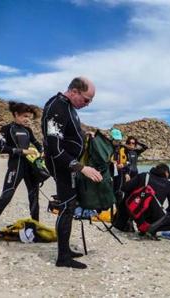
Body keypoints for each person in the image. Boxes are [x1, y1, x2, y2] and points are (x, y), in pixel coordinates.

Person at [42, 77, 102, 269]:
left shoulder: (69, 108)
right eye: (86, 99)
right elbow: (55, 147)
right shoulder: (57, 107)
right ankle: (63, 258)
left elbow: (69, 134)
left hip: (69, 166)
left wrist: (85, 135)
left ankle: (65, 249)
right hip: (61, 165)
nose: (88, 104)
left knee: (70, 206)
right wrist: (81, 167)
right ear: (74, 91)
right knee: (66, 207)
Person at [0, 102, 42, 242]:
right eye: (24, 116)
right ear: (16, 114)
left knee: (34, 198)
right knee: (6, 197)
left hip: (29, 167)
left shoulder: (28, 130)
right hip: (15, 167)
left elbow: (38, 144)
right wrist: (22, 151)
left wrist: (41, 152)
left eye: (28, 117)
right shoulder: (6, 129)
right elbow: (0, 147)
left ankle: (35, 230)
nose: (27, 119)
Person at [119, 163, 170, 237]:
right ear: (166, 172)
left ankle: (136, 224)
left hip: (137, 215)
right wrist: (161, 212)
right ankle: (152, 229)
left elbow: (124, 188)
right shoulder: (169, 185)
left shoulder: (143, 175)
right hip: (154, 218)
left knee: (129, 194)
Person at [110, 128, 128, 202]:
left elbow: (129, 162)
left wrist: (123, 165)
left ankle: (118, 209)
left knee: (119, 192)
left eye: (119, 140)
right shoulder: (107, 148)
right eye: (116, 140)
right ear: (111, 138)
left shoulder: (124, 149)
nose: (118, 142)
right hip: (109, 174)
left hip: (120, 174)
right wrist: (111, 163)